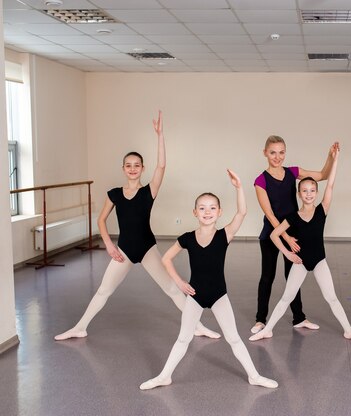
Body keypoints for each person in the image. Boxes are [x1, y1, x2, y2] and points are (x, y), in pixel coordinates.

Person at [55, 111, 220, 341]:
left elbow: (162, 166)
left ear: (142, 168)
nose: (132, 168)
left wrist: (160, 136)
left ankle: (197, 326)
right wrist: (109, 246)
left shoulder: (148, 192)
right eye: (128, 165)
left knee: (172, 289)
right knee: (104, 290)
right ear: (123, 168)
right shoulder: (114, 194)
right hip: (123, 250)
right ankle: (80, 327)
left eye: (137, 165)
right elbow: (101, 220)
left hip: (147, 248)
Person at [140, 170, 278, 390]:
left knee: (233, 339)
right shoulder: (187, 238)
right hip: (194, 297)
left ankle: (254, 376)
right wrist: (178, 281)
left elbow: (242, 212)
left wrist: (239, 187)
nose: (207, 212)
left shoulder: (224, 235)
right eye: (202, 208)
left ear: (220, 212)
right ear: (195, 212)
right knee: (183, 339)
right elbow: (166, 258)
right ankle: (164, 376)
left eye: (212, 207)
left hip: (218, 295)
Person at [249, 143, 351, 343]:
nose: (309, 193)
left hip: (319, 260)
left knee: (331, 297)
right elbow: (272, 229)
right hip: (299, 259)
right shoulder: (291, 215)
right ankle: (264, 325)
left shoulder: (321, 210)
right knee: (278, 288)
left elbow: (327, 180)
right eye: (305, 190)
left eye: (312, 190)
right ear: (299, 193)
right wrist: (287, 250)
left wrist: (334, 158)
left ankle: (346, 329)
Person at [251, 135, 336, 334]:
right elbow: (270, 215)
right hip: (272, 234)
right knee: (267, 276)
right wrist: (285, 237)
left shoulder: (292, 172)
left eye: (281, 152)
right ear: (265, 153)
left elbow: (323, 175)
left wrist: (331, 156)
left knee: (293, 276)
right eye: (273, 152)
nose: (277, 157)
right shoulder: (260, 180)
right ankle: (260, 320)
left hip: (294, 234)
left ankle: (299, 318)